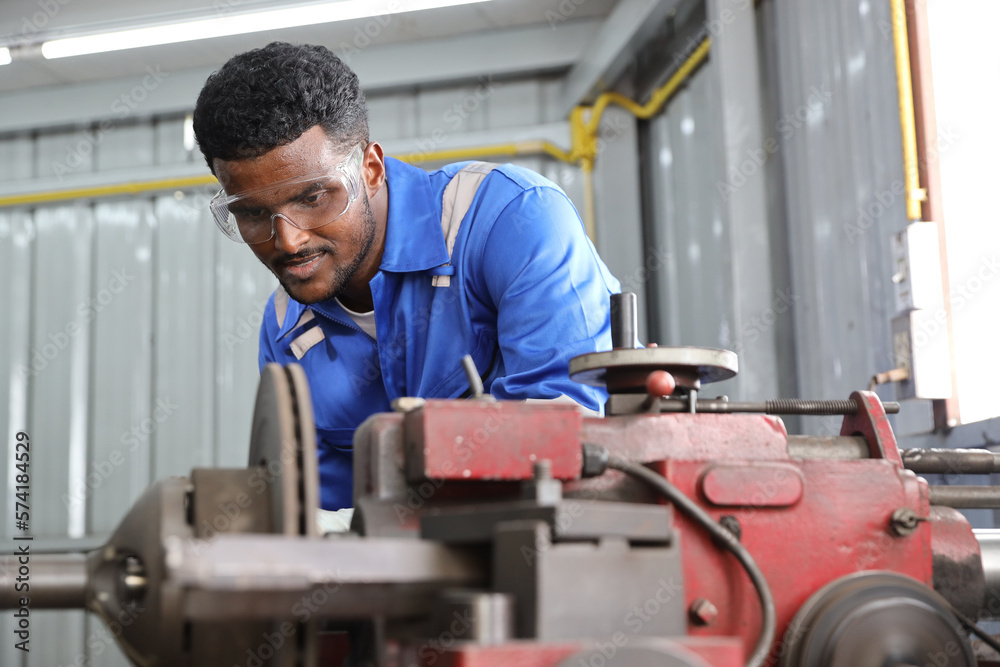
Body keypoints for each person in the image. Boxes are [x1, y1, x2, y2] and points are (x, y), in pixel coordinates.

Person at [193, 42, 621, 511]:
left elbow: (565, 430)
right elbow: (316, 515)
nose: (288, 241)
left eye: (314, 197)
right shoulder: (287, 331)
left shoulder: (509, 219)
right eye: (253, 214)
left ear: (370, 169)